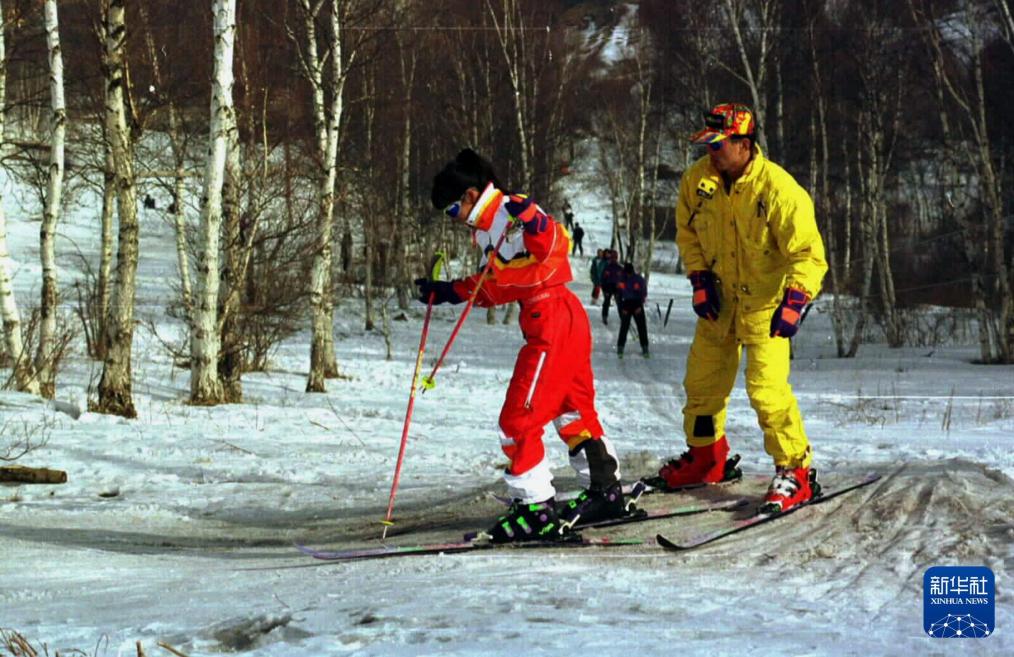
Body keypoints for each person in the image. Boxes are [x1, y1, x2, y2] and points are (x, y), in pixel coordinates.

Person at [424, 149, 628, 543]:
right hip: (558, 317)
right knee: (572, 409)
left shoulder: (505, 213)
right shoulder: (485, 227)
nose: (453, 218)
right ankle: (605, 488)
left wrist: (535, 220)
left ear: (469, 195)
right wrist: (450, 291)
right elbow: (499, 280)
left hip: (551, 320)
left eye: (452, 209)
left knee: (518, 419)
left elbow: (553, 248)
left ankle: (534, 507)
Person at [655, 103, 827, 513]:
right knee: (701, 385)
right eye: (707, 145)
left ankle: (795, 471)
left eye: (718, 145)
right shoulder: (698, 181)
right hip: (718, 305)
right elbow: (687, 232)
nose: (710, 153)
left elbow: (808, 253)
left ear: (743, 144)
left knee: (767, 392)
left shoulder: (778, 190)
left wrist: (796, 298)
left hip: (765, 307)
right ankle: (705, 459)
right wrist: (698, 279)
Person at [616, 262, 649, 359]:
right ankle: (620, 347)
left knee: (641, 326)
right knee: (624, 327)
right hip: (626, 304)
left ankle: (645, 347)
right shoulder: (621, 279)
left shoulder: (639, 279)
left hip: (637, 304)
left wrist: (640, 305)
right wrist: (622, 307)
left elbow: (644, 293)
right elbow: (619, 294)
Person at [599, 250, 622, 325]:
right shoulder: (607, 267)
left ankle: (623, 317)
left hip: (617, 288)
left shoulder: (620, 268)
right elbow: (603, 279)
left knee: (619, 302)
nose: (614, 259)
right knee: (606, 302)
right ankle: (604, 316)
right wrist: (604, 289)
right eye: (612, 258)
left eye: (615, 258)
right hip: (608, 287)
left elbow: (624, 280)